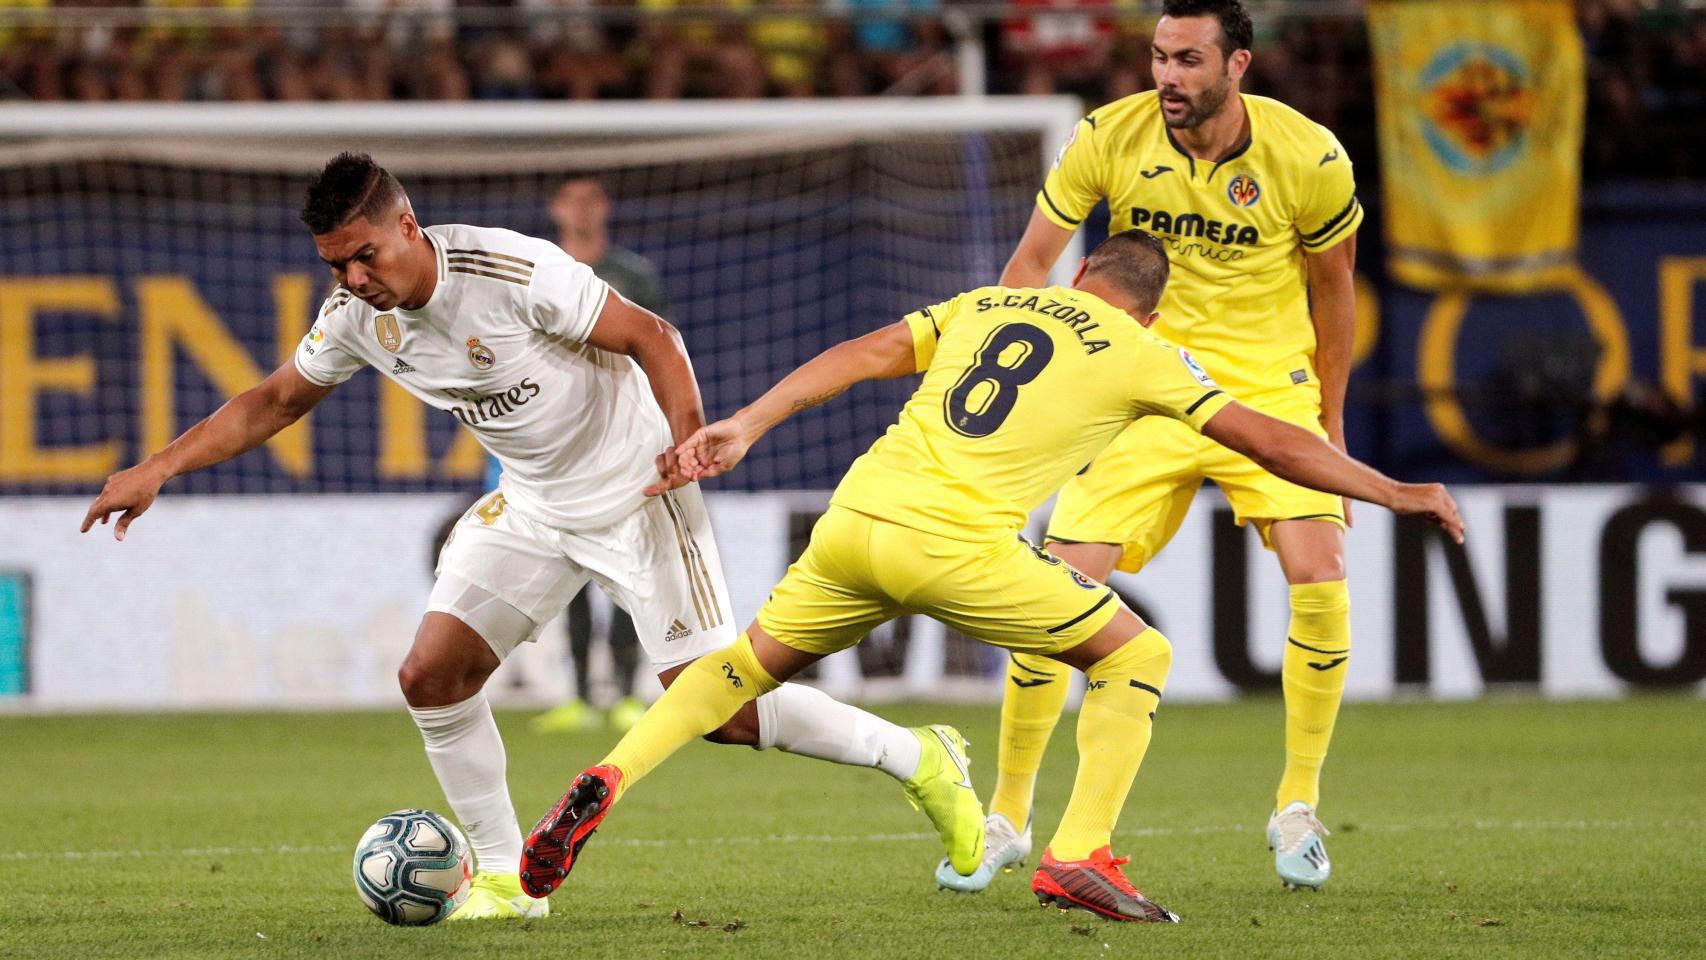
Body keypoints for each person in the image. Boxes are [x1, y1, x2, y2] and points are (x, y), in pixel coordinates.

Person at [80, 153, 983, 923]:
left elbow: (653, 335)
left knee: (724, 713)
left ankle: (920, 757)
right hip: (536, 506)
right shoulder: (357, 317)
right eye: (334, 266)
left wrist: (687, 438)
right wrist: (158, 467)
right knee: (431, 676)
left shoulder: (510, 270)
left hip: (640, 494)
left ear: (407, 224)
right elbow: (274, 400)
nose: (353, 279)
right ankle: (509, 878)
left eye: (363, 256)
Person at [514, 230, 1464, 922]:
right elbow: (1263, 436)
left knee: (742, 668)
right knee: (1138, 655)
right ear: (1150, 306)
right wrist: (1389, 488)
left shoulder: (987, 303)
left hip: (855, 522)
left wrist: (748, 423)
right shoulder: (1142, 349)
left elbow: (863, 354)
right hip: (958, 547)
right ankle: (1079, 851)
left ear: (1081, 273)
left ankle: (608, 773)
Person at [983, 0, 1365, 893]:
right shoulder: (1107, 137)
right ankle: (1007, 812)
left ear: (1238, 66)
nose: (1167, 78)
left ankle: (1297, 804)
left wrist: (1333, 429)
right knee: (1054, 587)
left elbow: (1336, 293)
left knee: (1320, 569)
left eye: (1188, 60)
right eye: (1158, 57)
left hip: (1267, 392)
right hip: (1143, 390)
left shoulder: (1307, 156)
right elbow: (1029, 266)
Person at [527, 177, 670, 735]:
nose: (583, 210)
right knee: (571, 572)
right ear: (556, 208)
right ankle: (584, 697)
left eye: (593, 199)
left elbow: (663, 348)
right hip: (555, 443)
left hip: (625, 440)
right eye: (573, 200)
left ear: (606, 208)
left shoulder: (635, 277)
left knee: (634, 568)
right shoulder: (536, 272)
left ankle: (631, 692)